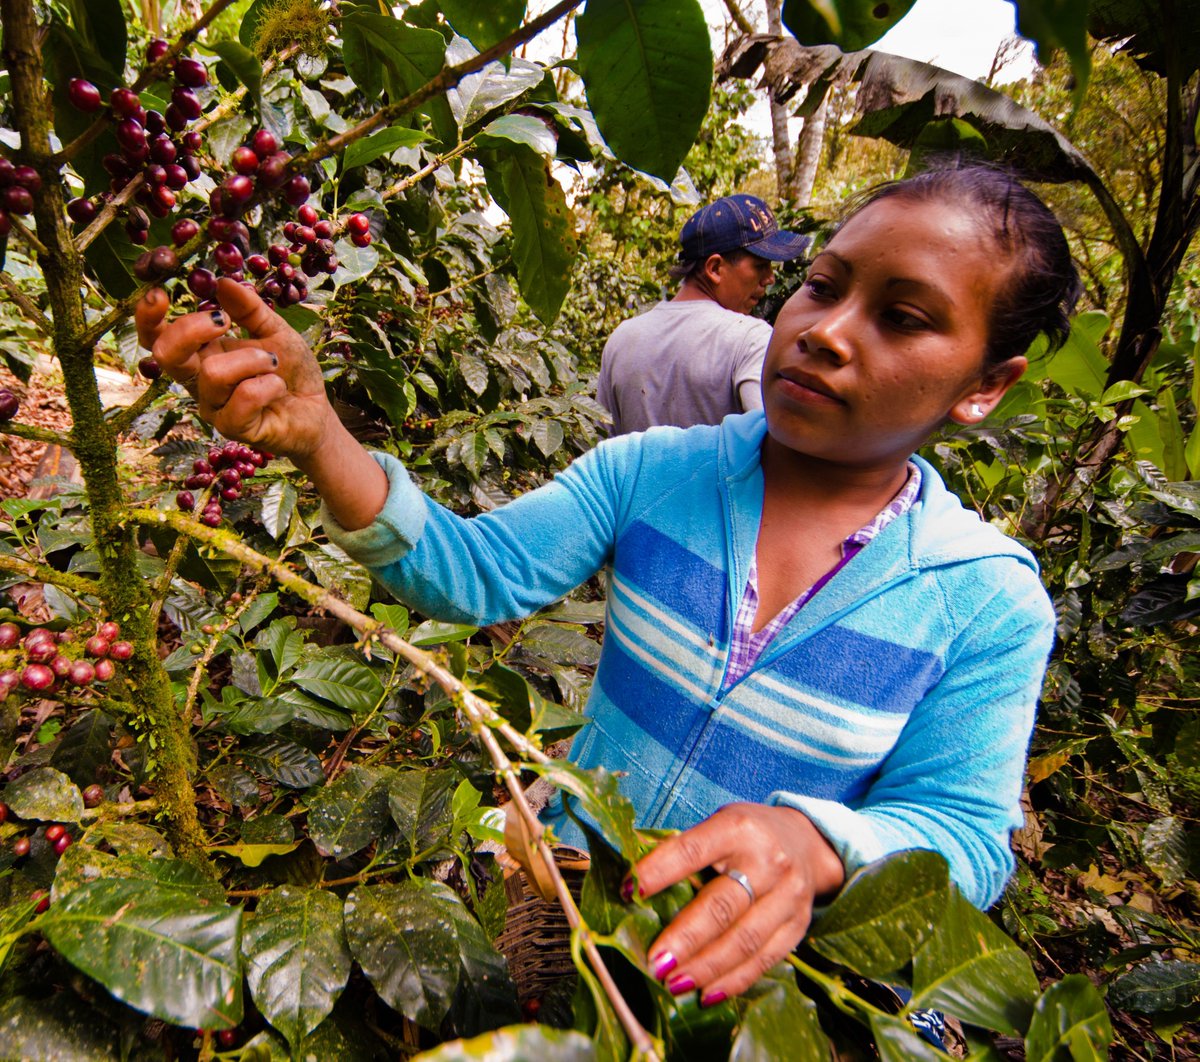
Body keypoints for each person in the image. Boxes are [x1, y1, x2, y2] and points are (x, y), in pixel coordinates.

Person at [136, 162, 1081, 1010]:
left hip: (757, 985)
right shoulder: (650, 472)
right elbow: (476, 571)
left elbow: (966, 836)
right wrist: (321, 438)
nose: (826, 331)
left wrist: (815, 845)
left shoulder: (984, 598)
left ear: (986, 384)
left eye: (904, 318)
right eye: (823, 286)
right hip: (568, 896)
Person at [596, 193, 809, 434]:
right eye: (760, 266)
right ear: (715, 268)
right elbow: (775, 440)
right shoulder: (749, 339)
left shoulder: (622, 338)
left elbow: (601, 442)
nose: (770, 278)